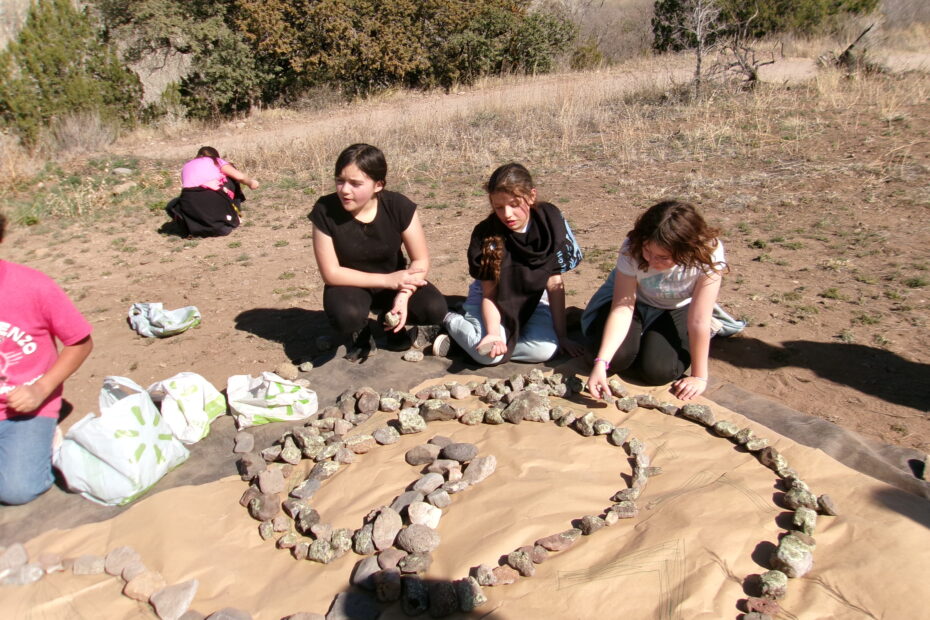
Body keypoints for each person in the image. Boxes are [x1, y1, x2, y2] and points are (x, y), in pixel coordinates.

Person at [584, 200, 740, 403]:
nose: (651, 261)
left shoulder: (709, 252)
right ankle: (630, 341)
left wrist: (700, 376)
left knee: (658, 372)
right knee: (615, 359)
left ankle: (646, 341)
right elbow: (623, 307)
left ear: (686, 250)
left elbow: (699, 319)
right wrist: (601, 362)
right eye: (647, 251)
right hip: (636, 303)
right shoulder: (633, 246)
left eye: (663, 257)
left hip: (677, 307)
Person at [309, 144, 448, 363]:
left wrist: (403, 296)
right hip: (350, 285)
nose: (344, 190)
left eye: (355, 184)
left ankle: (389, 320)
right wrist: (388, 280)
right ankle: (360, 333)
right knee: (348, 315)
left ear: (378, 185)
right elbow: (331, 273)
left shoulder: (398, 206)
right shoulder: (325, 210)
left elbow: (420, 260)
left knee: (435, 308)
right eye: (340, 180)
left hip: (395, 283)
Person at [439, 162, 584, 365]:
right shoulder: (488, 237)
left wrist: (562, 336)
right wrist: (492, 334)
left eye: (514, 205)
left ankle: (470, 343)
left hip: (533, 300)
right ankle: (449, 318)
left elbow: (553, 284)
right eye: (498, 207)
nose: (507, 214)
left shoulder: (549, 225)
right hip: (493, 301)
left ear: (531, 196)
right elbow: (489, 294)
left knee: (546, 350)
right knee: (490, 357)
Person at [0, 212, 93, 505]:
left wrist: (40, 389)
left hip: (26, 406)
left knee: (16, 490)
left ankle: (44, 441)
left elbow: (80, 342)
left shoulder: (32, 287)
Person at [168, 146, 259, 237]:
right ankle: (235, 215)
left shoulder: (187, 165)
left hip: (188, 201)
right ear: (215, 155)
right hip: (212, 197)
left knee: (174, 202)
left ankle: (192, 225)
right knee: (231, 177)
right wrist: (252, 183)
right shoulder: (216, 161)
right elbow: (240, 177)